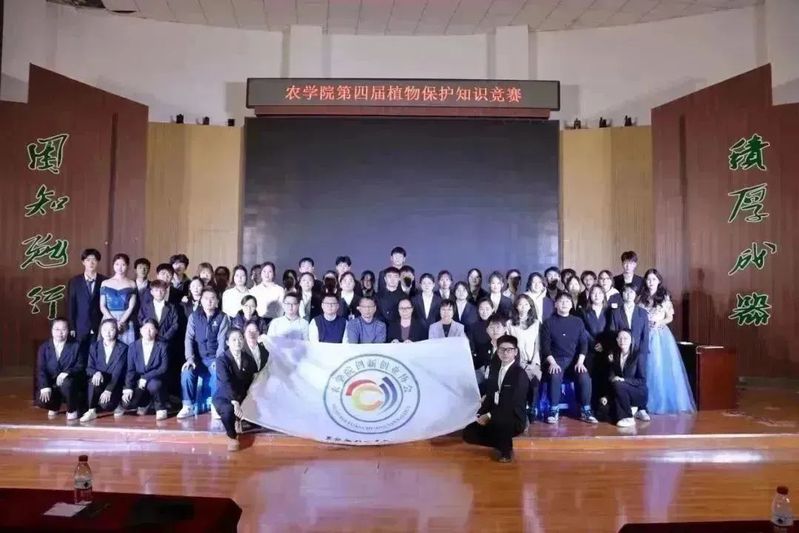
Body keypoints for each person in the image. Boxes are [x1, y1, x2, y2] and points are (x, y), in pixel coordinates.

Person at [462, 334, 529, 463]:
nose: (505, 353)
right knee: (469, 433)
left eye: (509, 350)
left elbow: (511, 403)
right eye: (501, 349)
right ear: (497, 351)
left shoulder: (519, 374)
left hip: (513, 416)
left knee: (500, 421)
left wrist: (489, 415)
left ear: (515, 352)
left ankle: (506, 450)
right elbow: (491, 395)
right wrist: (479, 413)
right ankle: (501, 442)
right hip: (496, 412)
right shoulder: (496, 370)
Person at [639, 269, 696, 414]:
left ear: (659, 281)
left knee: (659, 366)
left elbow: (670, 317)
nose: (651, 282)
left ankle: (661, 402)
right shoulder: (641, 297)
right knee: (645, 366)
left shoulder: (664, 297)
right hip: (644, 334)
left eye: (654, 279)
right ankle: (643, 403)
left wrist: (659, 322)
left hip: (660, 335)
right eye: (648, 279)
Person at [541, 292, 597, 424]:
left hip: (575, 360)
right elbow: (545, 347)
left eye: (567, 301)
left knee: (584, 375)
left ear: (571, 305)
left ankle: (586, 410)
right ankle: (553, 410)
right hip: (556, 360)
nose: (564, 304)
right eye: (561, 301)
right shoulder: (549, 322)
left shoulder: (578, 321)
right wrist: (552, 363)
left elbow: (584, 344)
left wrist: (580, 362)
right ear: (555, 304)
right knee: (555, 374)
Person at [178, 288, 230, 419]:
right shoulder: (194, 316)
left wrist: (219, 360)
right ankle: (188, 406)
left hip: (214, 358)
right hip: (197, 358)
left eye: (212, 298)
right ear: (201, 300)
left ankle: (215, 405)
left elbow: (222, 341)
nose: (209, 301)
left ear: (217, 301)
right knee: (187, 372)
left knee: (219, 371)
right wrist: (189, 358)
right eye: (206, 298)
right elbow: (188, 339)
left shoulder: (222, 317)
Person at [213, 328, 258, 451]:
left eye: (240, 339)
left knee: (256, 415)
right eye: (234, 340)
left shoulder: (248, 358)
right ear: (227, 342)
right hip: (225, 396)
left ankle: (239, 419)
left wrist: (249, 398)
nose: (238, 342)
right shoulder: (221, 360)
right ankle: (232, 436)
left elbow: (253, 378)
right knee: (228, 410)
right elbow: (226, 382)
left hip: (242, 394)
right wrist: (235, 402)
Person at [80, 318, 129, 422]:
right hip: (100, 381)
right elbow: (89, 368)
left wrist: (108, 390)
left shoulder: (123, 348)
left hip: (115, 384)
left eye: (111, 329)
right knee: (93, 380)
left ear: (116, 331)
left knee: (106, 405)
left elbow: (118, 372)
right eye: (105, 330)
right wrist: (96, 372)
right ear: (101, 331)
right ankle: (91, 411)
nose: (108, 333)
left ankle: (118, 404)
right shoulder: (94, 346)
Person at [121, 319, 170, 421]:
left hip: (155, 379)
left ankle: (161, 408)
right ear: (140, 330)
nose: (148, 331)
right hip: (139, 382)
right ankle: (145, 403)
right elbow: (130, 370)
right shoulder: (133, 346)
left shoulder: (162, 346)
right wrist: (128, 387)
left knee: (155, 385)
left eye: (151, 328)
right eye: (145, 328)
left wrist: (145, 377)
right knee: (127, 404)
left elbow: (163, 368)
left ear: (156, 331)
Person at [36, 318, 84, 420]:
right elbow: (41, 369)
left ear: (68, 331)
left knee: (67, 383)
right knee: (41, 400)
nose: (60, 333)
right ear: (51, 330)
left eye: (63, 329)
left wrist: (66, 373)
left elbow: (80, 365)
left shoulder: (76, 345)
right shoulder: (44, 347)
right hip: (53, 383)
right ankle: (55, 405)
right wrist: (45, 387)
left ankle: (72, 409)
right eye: (57, 329)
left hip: (71, 382)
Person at [506, 294, 541, 420]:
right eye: (520, 304)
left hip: (533, 361)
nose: (523, 307)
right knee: (521, 380)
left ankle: (532, 407)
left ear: (530, 307)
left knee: (535, 380)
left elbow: (538, 345)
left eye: (526, 304)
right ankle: (521, 408)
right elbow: (509, 345)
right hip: (517, 361)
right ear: (516, 306)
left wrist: (534, 362)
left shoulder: (536, 323)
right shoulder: (509, 324)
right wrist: (519, 362)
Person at [609, 329, 649, 428]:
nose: (622, 341)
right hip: (621, 391)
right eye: (620, 338)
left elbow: (642, 380)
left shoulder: (638, 355)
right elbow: (611, 375)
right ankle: (632, 409)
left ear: (631, 340)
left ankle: (628, 417)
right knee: (604, 412)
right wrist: (613, 377)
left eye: (625, 338)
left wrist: (624, 381)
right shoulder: (615, 355)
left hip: (638, 392)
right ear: (617, 340)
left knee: (619, 385)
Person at [67, 248, 106, 349]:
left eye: (94, 260)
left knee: (97, 353)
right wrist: (72, 327)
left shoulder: (105, 281)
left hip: (99, 325)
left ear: (98, 262)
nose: (91, 263)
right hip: (80, 326)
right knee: (80, 355)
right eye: (88, 260)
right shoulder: (75, 281)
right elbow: (71, 305)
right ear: (83, 262)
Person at [581, 285, 611, 414]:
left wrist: (604, 345)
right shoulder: (584, 311)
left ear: (604, 295)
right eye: (594, 293)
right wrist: (594, 344)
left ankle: (604, 406)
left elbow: (611, 329)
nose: (597, 295)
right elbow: (583, 330)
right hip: (590, 350)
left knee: (606, 377)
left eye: (599, 293)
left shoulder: (610, 311)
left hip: (606, 349)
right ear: (590, 295)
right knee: (591, 378)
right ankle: (590, 407)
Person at [99, 253, 138, 345]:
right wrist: (113, 321)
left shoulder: (132, 283)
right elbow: (102, 306)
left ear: (127, 266)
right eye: (117, 264)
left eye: (123, 264)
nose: (120, 267)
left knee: (126, 346)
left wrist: (121, 322)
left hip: (125, 318)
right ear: (113, 265)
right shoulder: (105, 283)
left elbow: (131, 307)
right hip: (108, 317)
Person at [137, 280, 180, 347]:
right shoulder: (145, 306)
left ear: (165, 292)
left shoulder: (172, 307)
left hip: (166, 341)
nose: (159, 293)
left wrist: (165, 337)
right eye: (156, 290)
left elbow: (175, 324)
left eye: (162, 290)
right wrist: (148, 334)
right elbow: (140, 320)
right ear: (151, 292)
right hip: (148, 340)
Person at [473, 315, 507, 393]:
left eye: (498, 327)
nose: (495, 330)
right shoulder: (484, 347)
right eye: (491, 327)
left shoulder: (510, 347)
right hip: (488, 383)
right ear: (487, 330)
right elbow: (477, 363)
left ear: (505, 329)